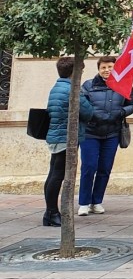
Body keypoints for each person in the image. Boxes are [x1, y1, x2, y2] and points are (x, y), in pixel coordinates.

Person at [78, 55, 133, 215]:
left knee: (105, 168)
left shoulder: (124, 85)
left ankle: (96, 201)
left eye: (110, 67)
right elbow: (82, 105)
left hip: (112, 133)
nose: (107, 70)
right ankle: (83, 202)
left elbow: (132, 104)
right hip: (90, 133)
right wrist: (95, 115)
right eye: (103, 67)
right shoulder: (88, 85)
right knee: (89, 167)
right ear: (99, 69)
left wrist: (121, 112)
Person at [43, 57, 93, 227]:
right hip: (66, 137)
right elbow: (87, 112)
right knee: (58, 175)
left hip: (57, 135)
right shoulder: (72, 90)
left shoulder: (57, 87)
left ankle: (50, 212)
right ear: (75, 72)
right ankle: (52, 212)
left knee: (53, 174)